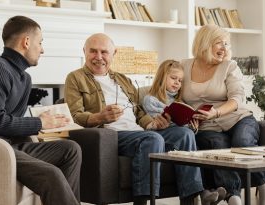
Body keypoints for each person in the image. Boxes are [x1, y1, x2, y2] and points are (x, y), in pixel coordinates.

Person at [65, 33, 219, 205]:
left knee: (184, 134)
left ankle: (191, 199)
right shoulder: (75, 78)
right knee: (152, 138)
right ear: (84, 51)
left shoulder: (123, 80)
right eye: (93, 51)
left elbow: (138, 112)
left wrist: (153, 123)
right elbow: (74, 116)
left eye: (104, 52)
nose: (99, 57)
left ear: (113, 54)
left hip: (138, 132)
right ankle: (145, 201)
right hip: (111, 135)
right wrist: (99, 117)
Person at [0, 16, 82, 205]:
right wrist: (41, 122)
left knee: (71, 149)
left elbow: (11, 123)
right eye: (40, 42)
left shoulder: (24, 78)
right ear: (26, 42)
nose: (42, 49)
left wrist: (44, 131)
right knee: (51, 174)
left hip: (5, 145)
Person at [181, 24, 265, 205]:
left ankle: (264, 184)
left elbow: (237, 98)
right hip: (207, 126)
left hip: (238, 118)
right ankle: (234, 198)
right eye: (219, 43)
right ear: (205, 43)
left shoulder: (229, 66)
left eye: (227, 44)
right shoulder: (184, 66)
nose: (225, 48)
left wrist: (216, 112)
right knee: (218, 147)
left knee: (243, 143)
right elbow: (174, 95)